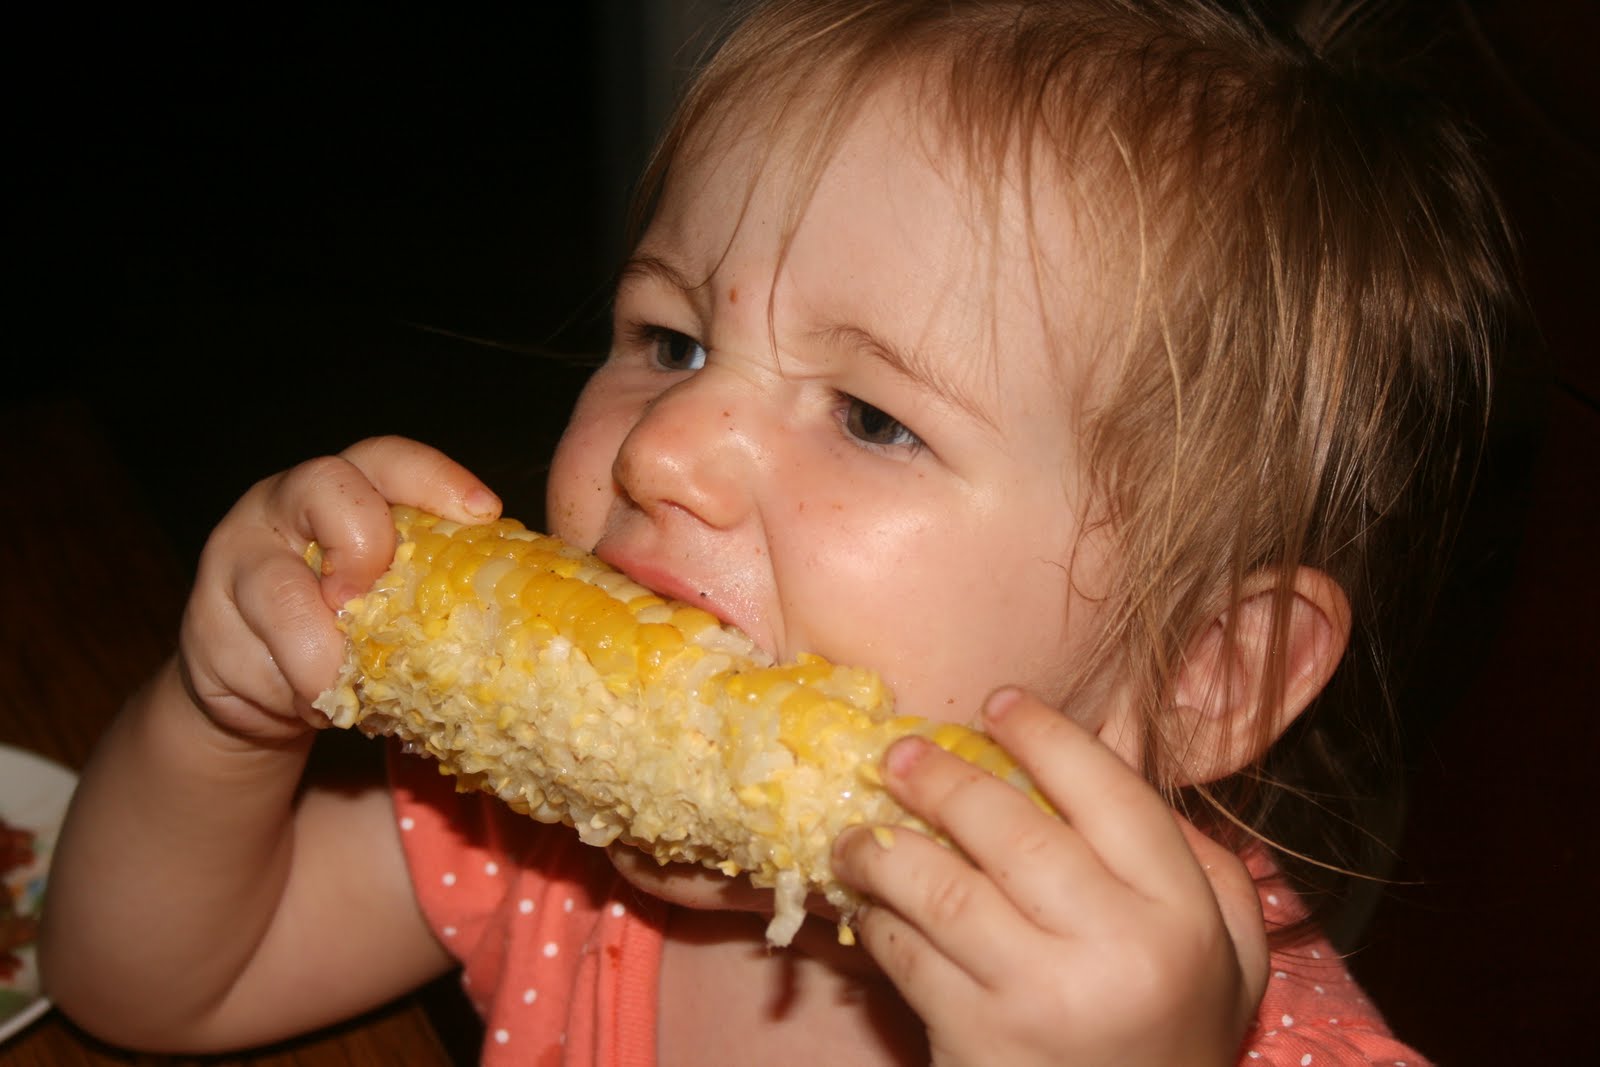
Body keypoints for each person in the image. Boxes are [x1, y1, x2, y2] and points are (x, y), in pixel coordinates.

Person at [41, 1, 1519, 1064]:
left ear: (1208, 669)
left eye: (873, 417)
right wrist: (221, 717)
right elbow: (148, 985)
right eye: (672, 340)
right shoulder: (558, 854)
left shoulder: (1258, 1044)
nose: (669, 449)